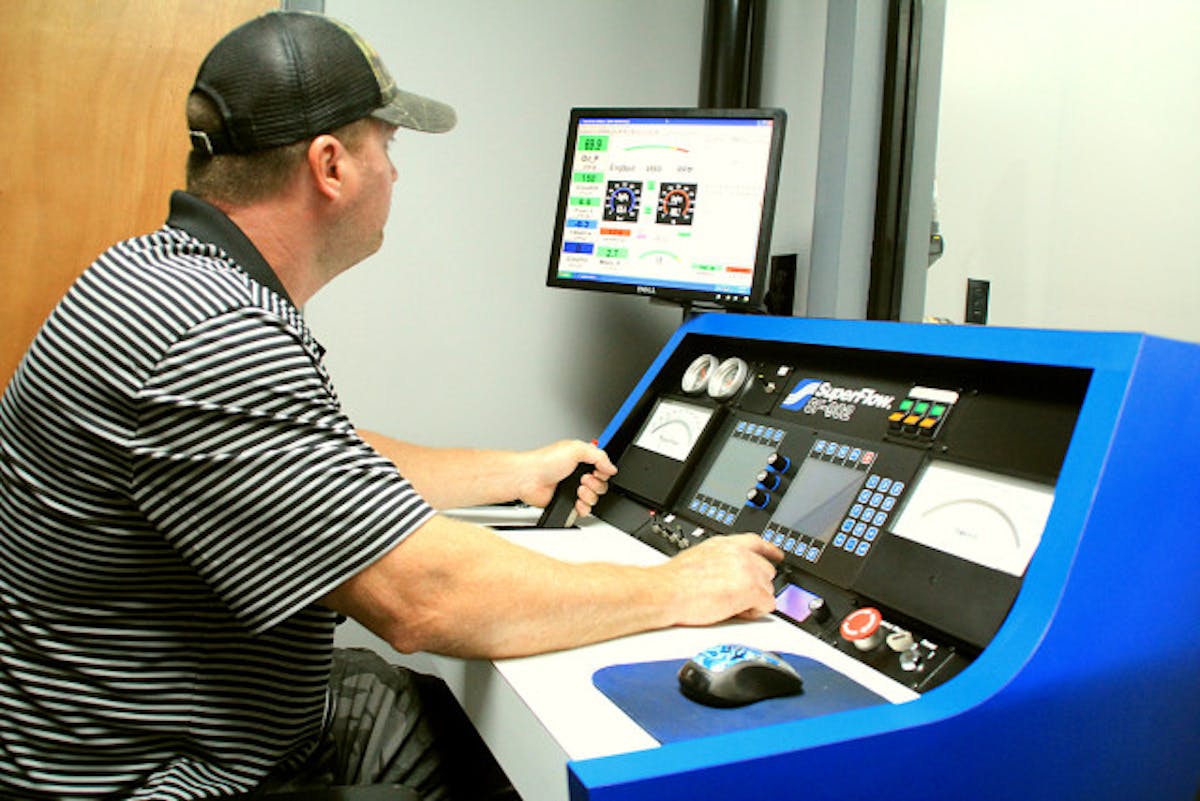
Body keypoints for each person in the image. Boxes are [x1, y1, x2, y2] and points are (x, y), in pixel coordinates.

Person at [0, 11, 783, 800]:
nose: (397, 175)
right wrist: (683, 587)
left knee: (446, 718)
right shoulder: (210, 335)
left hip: (180, 727)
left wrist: (513, 471)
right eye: (390, 145)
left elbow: (315, 454)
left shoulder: (164, 274)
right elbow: (425, 598)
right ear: (331, 165)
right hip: (154, 778)